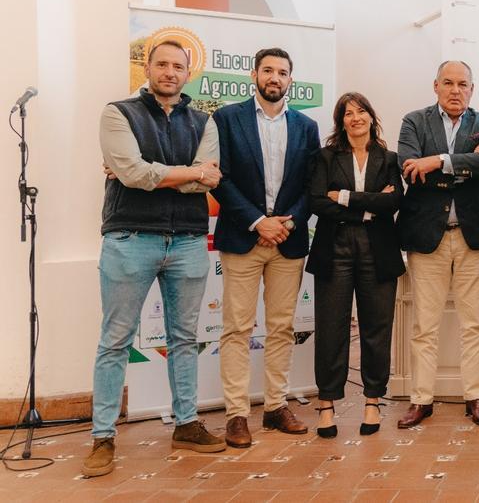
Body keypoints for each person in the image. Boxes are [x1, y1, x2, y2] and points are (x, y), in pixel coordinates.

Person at [85, 40, 226, 477]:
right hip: (130, 238)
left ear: (189, 74)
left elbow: (207, 181)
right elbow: (131, 173)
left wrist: (158, 174)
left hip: (186, 240)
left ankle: (186, 424)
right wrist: (188, 172)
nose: (170, 72)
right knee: (115, 341)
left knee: (184, 338)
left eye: (178, 66)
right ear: (147, 69)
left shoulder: (205, 122)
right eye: (161, 64)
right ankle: (103, 437)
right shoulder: (118, 113)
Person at [211, 47, 321, 448]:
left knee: (281, 328)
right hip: (243, 237)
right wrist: (259, 222)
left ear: (291, 80)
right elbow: (219, 177)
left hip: (288, 240)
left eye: (283, 72)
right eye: (269, 71)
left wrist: (285, 222)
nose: (275, 78)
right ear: (254, 75)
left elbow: (312, 184)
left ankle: (275, 406)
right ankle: (237, 414)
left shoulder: (307, 126)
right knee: (237, 328)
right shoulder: (227, 118)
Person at [395, 60, 479, 428]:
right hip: (428, 237)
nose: (455, 90)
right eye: (448, 83)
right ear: (436, 86)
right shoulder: (414, 120)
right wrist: (463, 165)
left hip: (472, 235)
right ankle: (421, 400)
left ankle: (476, 397)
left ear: (472, 89)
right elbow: (409, 166)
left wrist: (439, 160)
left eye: (463, 84)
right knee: (424, 325)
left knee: (474, 323)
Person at [306, 92, 404, 438]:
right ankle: (327, 404)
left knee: (377, 328)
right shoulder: (325, 157)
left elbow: (393, 200)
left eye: (361, 111)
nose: (355, 117)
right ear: (341, 121)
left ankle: (373, 401)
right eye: (348, 113)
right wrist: (368, 207)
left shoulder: (388, 158)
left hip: (378, 248)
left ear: (371, 117)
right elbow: (317, 202)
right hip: (335, 247)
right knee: (331, 328)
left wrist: (346, 197)